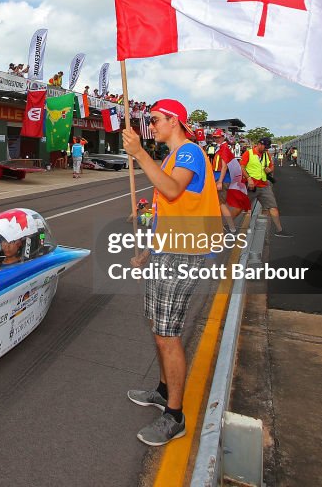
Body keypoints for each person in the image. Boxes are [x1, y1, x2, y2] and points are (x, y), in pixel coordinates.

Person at [122, 98, 223, 447]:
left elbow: (171, 189)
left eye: (155, 120)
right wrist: (149, 248)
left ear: (174, 121)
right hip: (167, 249)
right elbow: (168, 207)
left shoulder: (189, 152)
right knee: (157, 325)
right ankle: (164, 391)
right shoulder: (171, 156)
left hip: (184, 252)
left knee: (168, 333)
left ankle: (175, 416)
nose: (151, 126)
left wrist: (139, 154)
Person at [241, 137, 290, 237]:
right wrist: (248, 178)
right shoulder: (249, 153)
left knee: (272, 207)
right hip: (252, 186)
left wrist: (270, 170)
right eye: (264, 147)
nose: (265, 149)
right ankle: (236, 227)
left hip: (264, 185)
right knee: (243, 208)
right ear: (259, 144)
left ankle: (279, 230)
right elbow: (241, 166)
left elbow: (271, 166)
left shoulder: (266, 154)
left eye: (267, 147)